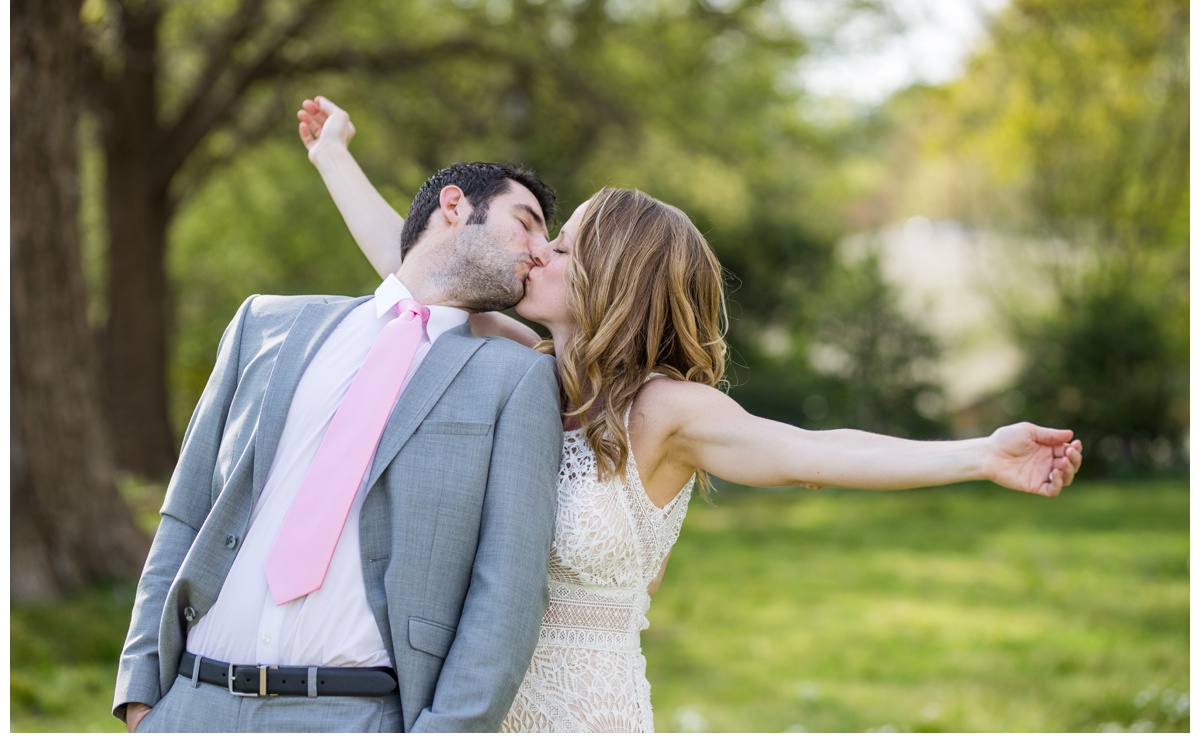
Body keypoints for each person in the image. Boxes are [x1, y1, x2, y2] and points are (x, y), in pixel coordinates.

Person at [299, 96, 1084, 733]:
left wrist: (980, 452)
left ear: (615, 281)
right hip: (479, 706)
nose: (539, 254)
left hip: (585, 714)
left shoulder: (667, 410)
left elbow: (811, 451)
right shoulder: (523, 372)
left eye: (565, 248)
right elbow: (414, 274)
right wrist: (334, 156)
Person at [112, 159, 564, 732]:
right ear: (454, 206)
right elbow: (186, 511)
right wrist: (142, 698)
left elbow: (509, 588)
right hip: (192, 705)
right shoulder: (265, 324)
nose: (539, 249)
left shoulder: (515, 379)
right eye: (526, 223)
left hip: (357, 715)